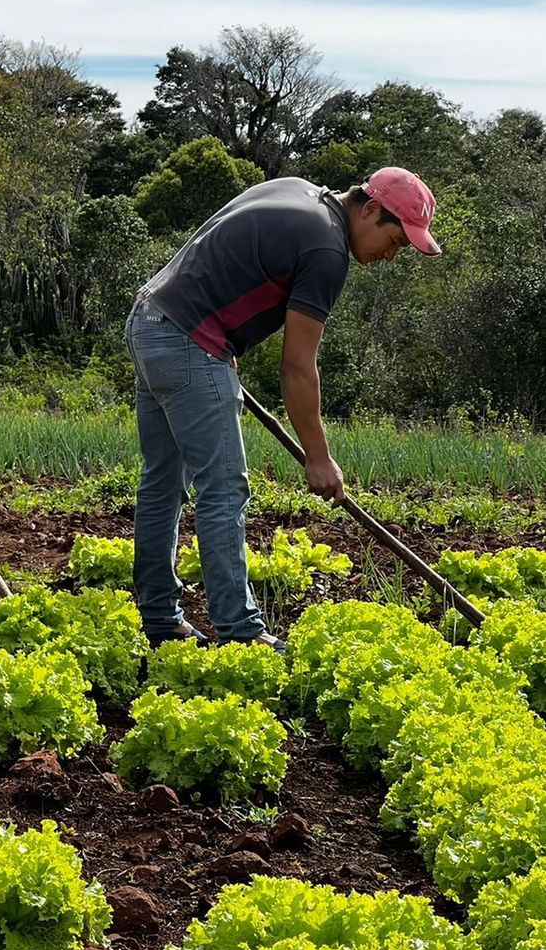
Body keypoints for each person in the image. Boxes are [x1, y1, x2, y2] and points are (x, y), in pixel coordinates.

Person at [126, 167, 442, 650]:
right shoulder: (326, 252)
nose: (390, 256)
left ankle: (159, 618)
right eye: (395, 240)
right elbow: (297, 368)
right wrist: (318, 456)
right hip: (188, 340)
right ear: (372, 209)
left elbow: (217, 257)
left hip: (151, 321)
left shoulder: (298, 190)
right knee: (224, 491)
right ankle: (240, 632)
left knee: (164, 482)